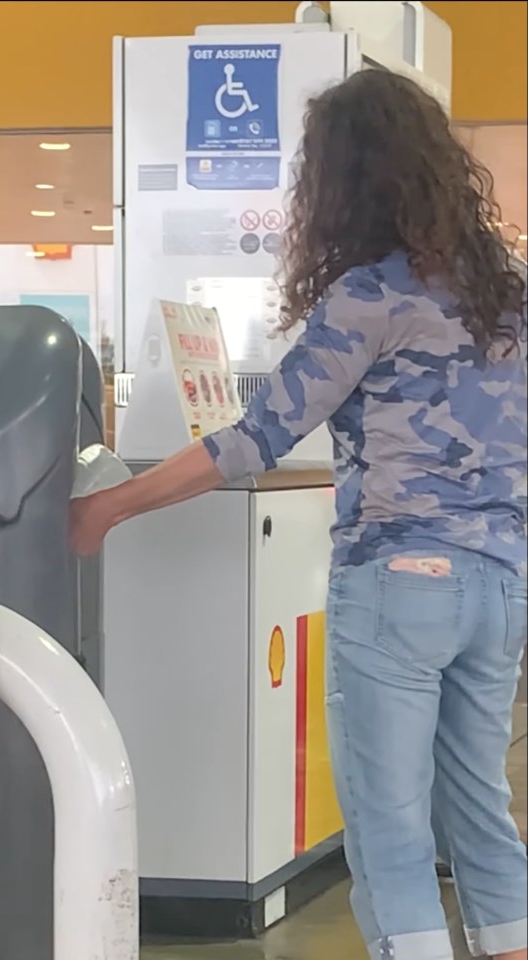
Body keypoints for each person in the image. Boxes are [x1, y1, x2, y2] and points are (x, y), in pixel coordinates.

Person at [70, 69, 527, 960]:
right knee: (481, 810)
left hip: (399, 585)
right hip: (501, 585)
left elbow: (256, 437)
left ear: (346, 179)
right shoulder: (510, 290)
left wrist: (111, 507)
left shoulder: (372, 294)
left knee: (390, 832)